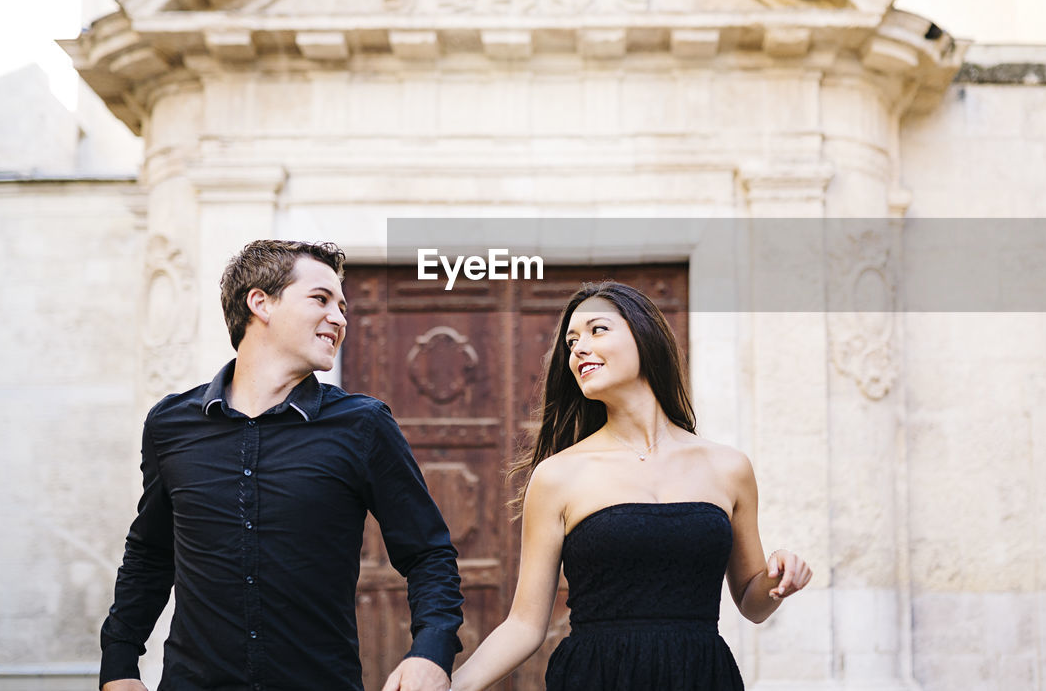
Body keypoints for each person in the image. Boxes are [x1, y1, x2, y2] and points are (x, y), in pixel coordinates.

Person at [99, 240, 462, 691]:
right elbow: (150, 556)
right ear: (260, 303)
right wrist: (118, 665)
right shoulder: (170, 425)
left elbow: (428, 553)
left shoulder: (363, 425)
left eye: (342, 306)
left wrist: (432, 651)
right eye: (321, 299)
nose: (340, 318)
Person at [450, 281, 811, 691]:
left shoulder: (729, 467)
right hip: (597, 677)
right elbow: (524, 625)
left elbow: (752, 602)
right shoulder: (557, 475)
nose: (579, 349)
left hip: (700, 676)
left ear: (644, 335)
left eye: (596, 330)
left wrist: (778, 580)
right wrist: (450, 687)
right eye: (571, 341)